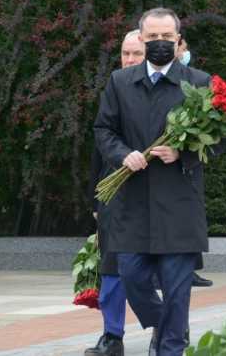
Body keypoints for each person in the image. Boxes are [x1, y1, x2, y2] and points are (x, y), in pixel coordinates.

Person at [94, 7, 223, 356]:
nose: (160, 43)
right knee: (132, 276)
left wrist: (184, 154)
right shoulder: (121, 83)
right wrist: (123, 154)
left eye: (167, 37)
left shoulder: (198, 82)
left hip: (179, 205)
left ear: (179, 41)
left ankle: (170, 348)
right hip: (132, 203)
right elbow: (103, 129)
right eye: (152, 37)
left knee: (178, 291)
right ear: (141, 38)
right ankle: (167, 325)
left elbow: (219, 137)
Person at [85, 30, 145, 356]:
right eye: (125, 53)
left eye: (136, 54)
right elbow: (98, 146)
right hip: (113, 191)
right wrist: (96, 199)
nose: (129, 60)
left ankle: (167, 329)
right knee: (111, 265)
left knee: (155, 266)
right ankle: (111, 336)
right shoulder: (113, 88)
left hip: (153, 192)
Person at [174, 38, 213, 288]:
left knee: (189, 220)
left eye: (186, 48)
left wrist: (184, 154)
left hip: (187, 167)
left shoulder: (197, 79)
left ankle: (190, 269)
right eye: (184, 49)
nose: (186, 53)